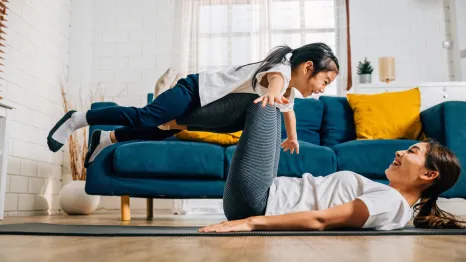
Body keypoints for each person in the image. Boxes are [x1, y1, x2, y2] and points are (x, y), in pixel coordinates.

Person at [46, 43, 339, 167]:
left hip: (208, 105)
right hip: (194, 90)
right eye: (324, 81)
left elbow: (289, 113)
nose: (322, 89)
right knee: (147, 116)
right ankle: (79, 119)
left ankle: (106, 138)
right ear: (308, 67)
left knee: (162, 130)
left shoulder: (290, 91)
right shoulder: (282, 70)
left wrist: (292, 137)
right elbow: (275, 80)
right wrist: (273, 94)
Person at [192, 102, 465, 232]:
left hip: (258, 201)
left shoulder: (390, 202)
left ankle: (169, 117)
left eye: (412, 151)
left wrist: (250, 223)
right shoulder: (390, 200)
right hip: (262, 195)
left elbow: (319, 220)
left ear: (429, 174)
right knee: (270, 105)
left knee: (266, 104)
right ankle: (175, 119)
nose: (399, 151)